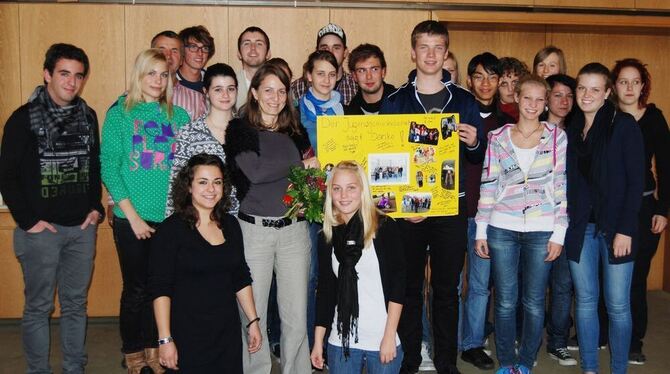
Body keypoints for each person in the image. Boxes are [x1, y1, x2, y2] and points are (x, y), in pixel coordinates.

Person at [381, 20, 484, 374]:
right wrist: (401, 206)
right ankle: (410, 358)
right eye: (423, 47)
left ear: (446, 52)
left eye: (437, 47)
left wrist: (473, 142)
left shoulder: (466, 102)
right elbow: (386, 160)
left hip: (449, 205)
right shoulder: (394, 101)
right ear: (412, 52)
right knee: (408, 287)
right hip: (408, 209)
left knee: (446, 289)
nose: (430, 54)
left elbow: (476, 156)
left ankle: (445, 362)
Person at [0, 43, 103, 374]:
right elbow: (7, 175)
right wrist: (29, 222)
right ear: (47, 74)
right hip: (41, 233)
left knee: (76, 305)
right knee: (38, 307)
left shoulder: (88, 116)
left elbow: (92, 166)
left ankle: (74, 367)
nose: (71, 82)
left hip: (81, 230)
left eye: (77, 76)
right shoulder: (23, 119)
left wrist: (95, 208)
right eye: (63, 74)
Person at [225, 63, 318, 374]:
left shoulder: (297, 131)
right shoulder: (239, 130)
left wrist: (310, 190)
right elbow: (256, 171)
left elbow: (314, 174)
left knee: (295, 316)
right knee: (254, 316)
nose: (275, 97)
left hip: (294, 231)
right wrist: (299, 164)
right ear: (254, 93)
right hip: (254, 233)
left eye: (281, 91)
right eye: (268, 90)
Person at [101, 49, 190, 373]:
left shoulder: (179, 117)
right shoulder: (120, 114)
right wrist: (134, 217)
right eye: (151, 73)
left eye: (163, 74)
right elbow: (109, 169)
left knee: (162, 287)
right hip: (131, 219)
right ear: (139, 75)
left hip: (169, 219)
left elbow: (185, 170)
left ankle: (156, 348)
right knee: (136, 290)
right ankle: (133, 351)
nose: (157, 80)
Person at [475, 75, 568, 374]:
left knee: (534, 301)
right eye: (527, 98)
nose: (533, 105)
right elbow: (487, 185)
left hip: (541, 229)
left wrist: (559, 232)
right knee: (504, 301)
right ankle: (507, 362)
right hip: (502, 227)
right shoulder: (498, 137)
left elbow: (560, 187)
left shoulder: (556, 137)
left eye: (540, 99)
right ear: (517, 98)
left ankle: (526, 360)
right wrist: (481, 229)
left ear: (546, 103)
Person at [564, 62, 644, 374]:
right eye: (582, 88)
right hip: (581, 227)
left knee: (618, 305)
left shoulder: (623, 125)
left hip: (616, 229)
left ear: (607, 92)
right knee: (584, 302)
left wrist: (625, 230)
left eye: (595, 89)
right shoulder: (572, 128)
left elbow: (636, 182)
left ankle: (619, 368)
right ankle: (590, 368)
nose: (586, 95)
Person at [149, 154, 262, 372]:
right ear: (188, 187)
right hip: (187, 335)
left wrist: (253, 321)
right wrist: (165, 339)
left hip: (226, 333)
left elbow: (240, 276)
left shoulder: (231, 225)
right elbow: (160, 288)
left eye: (217, 182)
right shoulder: (170, 230)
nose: (211, 189)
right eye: (203, 182)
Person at [310, 161, 405, 373]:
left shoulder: (384, 227)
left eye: (351, 187)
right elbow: (326, 291)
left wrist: (389, 335)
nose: (343, 195)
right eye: (337, 188)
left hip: (382, 339)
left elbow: (399, 285)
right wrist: (318, 341)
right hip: (341, 342)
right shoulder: (326, 236)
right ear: (330, 193)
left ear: (362, 190)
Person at [612, 58, 669, 365]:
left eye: (636, 82)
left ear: (644, 86)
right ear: (614, 85)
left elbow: (666, 166)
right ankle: (602, 333)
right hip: (610, 209)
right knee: (604, 273)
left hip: (644, 207)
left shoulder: (654, 119)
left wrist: (663, 209)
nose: (630, 87)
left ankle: (634, 340)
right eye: (623, 81)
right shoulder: (605, 116)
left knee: (635, 277)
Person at [460, 51, 514, 371]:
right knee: (449, 283)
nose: (486, 83)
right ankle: (450, 338)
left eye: (492, 77)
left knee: (481, 284)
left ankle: (472, 343)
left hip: (488, 218)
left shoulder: (506, 123)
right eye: (479, 76)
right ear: (469, 80)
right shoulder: (455, 115)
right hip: (453, 213)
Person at [538, 73, 578, 367]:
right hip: (535, 218)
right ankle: (525, 338)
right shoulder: (531, 130)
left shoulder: (579, 131)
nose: (564, 101)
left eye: (569, 96)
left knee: (563, 285)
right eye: (558, 95)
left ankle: (558, 342)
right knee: (532, 287)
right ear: (546, 98)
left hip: (568, 218)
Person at [166, 63, 240, 216]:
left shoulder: (247, 130)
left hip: (242, 222)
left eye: (231, 89)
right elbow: (176, 183)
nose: (225, 95)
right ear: (206, 92)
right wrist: (172, 225)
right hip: (200, 221)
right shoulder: (189, 132)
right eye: (218, 89)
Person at [290, 23, 358, 105]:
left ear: (345, 52)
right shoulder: (297, 88)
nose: (330, 52)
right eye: (324, 48)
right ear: (317, 51)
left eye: (336, 48)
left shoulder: (356, 87)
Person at [152, 30, 206, 121]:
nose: (168, 56)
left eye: (174, 51)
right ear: (150, 56)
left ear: (181, 60)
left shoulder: (198, 100)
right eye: (161, 50)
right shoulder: (130, 99)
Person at [299, 50, 344, 153]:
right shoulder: (295, 112)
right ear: (309, 76)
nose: (327, 80)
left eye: (332, 75)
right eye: (320, 74)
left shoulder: (348, 110)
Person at [345, 43, 396, 115]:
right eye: (362, 70)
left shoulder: (401, 103)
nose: (369, 77)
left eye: (374, 69)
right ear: (354, 76)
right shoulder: (350, 112)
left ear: (383, 72)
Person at [236, 26, 271, 109]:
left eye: (259, 44)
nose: (253, 48)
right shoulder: (230, 85)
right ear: (239, 54)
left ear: (268, 53)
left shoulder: (279, 84)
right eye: (246, 43)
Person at [177, 25, 215, 93]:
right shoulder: (170, 81)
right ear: (182, 50)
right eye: (193, 47)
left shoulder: (212, 81)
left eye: (205, 48)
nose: (200, 53)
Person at [498, 57, 530, 122]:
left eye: (514, 82)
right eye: (504, 84)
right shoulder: (491, 114)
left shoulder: (532, 109)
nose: (511, 89)